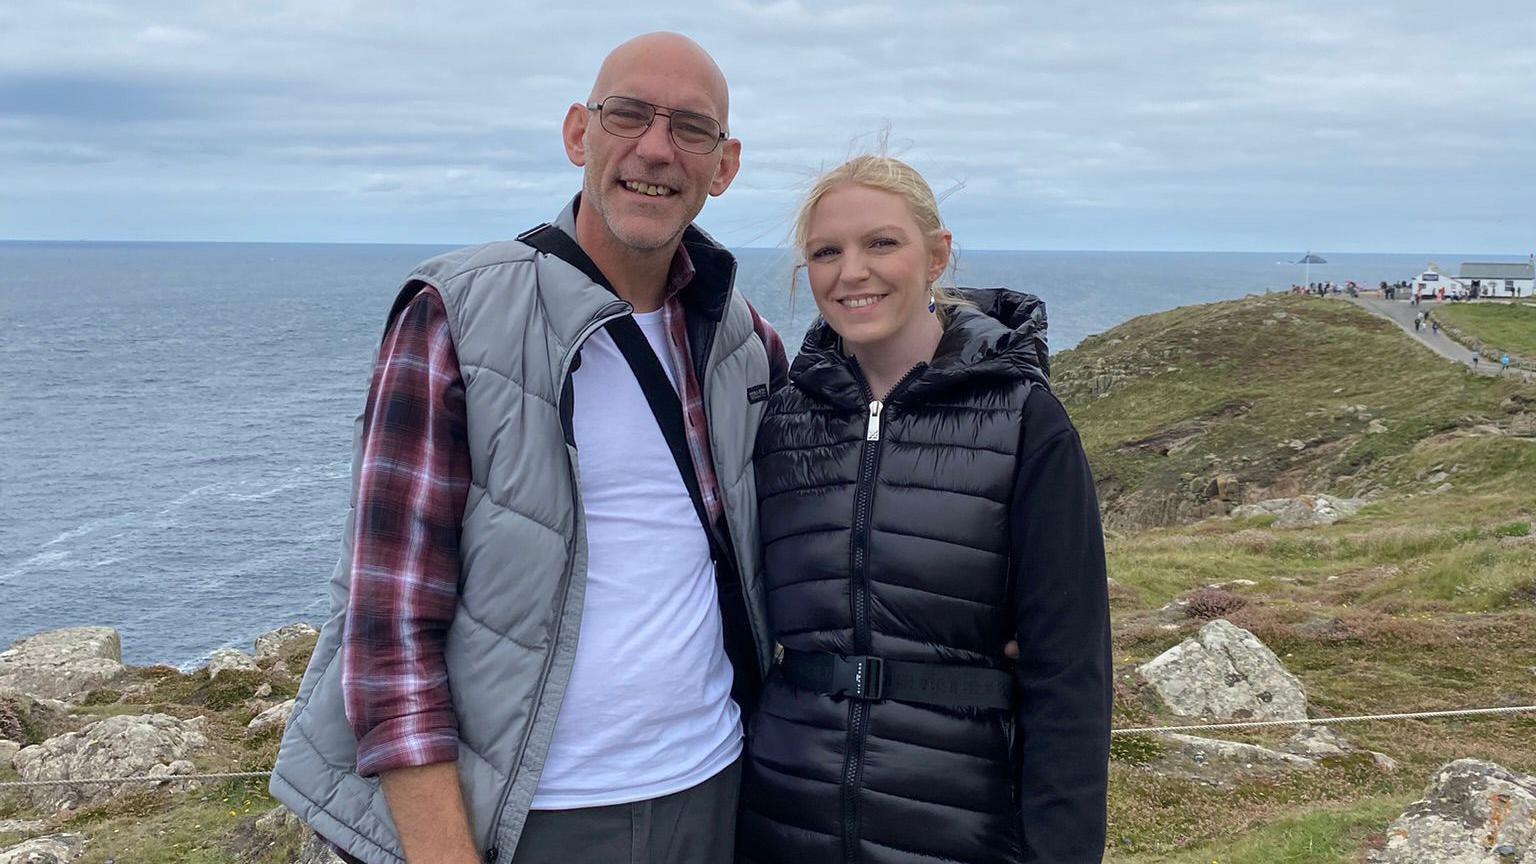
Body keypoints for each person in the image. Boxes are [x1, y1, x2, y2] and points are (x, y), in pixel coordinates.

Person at [270, 32, 788, 864]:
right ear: (579, 134)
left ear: (723, 167)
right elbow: (389, 622)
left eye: (691, 128)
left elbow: (825, 514)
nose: (656, 148)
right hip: (520, 818)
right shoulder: (455, 312)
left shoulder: (740, 339)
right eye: (629, 116)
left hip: (712, 789)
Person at [738, 155, 1112, 863]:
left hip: (963, 830)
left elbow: (1071, 677)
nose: (853, 272)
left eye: (882, 243)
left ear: (937, 255)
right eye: (826, 252)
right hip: (781, 822)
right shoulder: (778, 421)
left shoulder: (1026, 420)